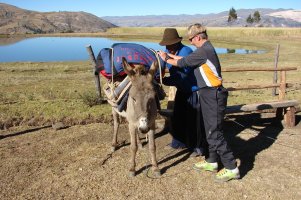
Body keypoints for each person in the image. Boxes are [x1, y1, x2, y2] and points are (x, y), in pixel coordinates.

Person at [158, 24, 240, 182]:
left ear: (198, 37)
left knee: (215, 133)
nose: (190, 42)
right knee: (209, 130)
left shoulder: (203, 51)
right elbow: (185, 59)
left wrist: (166, 58)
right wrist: (168, 56)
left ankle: (231, 168)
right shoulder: (204, 50)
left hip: (213, 95)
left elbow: (182, 64)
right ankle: (212, 161)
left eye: (191, 39)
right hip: (208, 94)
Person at [159, 28, 206, 157]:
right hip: (182, 90)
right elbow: (162, 65)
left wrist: (165, 81)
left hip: (193, 91)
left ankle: (198, 147)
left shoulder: (186, 52)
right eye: (166, 45)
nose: (167, 47)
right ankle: (179, 142)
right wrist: (159, 71)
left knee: (194, 120)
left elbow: (183, 75)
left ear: (176, 42)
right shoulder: (168, 51)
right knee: (178, 117)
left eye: (169, 44)